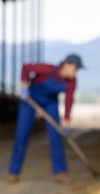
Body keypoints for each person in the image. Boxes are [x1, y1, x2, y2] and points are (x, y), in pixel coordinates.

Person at [8, 54, 83, 184]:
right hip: (30, 99)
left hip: (50, 103)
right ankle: (14, 172)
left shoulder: (72, 82)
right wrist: (25, 87)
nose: (76, 72)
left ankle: (60, 172)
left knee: (56, 135)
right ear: (66, 64)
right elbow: (25, 68)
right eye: (75, 68)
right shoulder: (48, 69)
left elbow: (69, 101)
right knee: (22, 135)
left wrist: (66, 123)